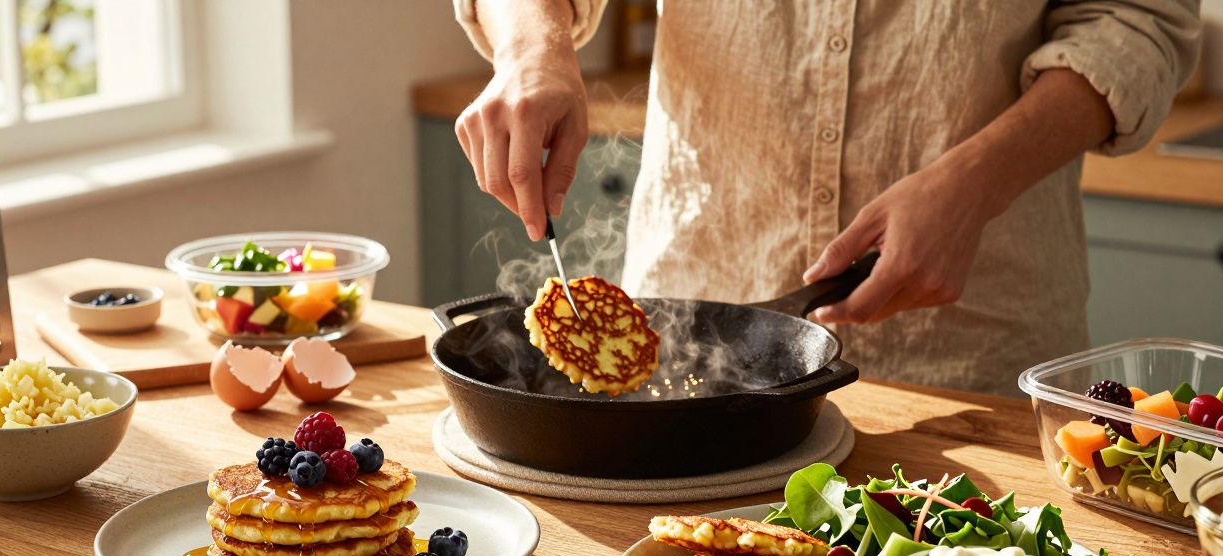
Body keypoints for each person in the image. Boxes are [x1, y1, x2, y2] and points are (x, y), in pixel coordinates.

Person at [450, 0, 1201, 394]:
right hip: (691, 334)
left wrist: (976, 184)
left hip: (965, 348)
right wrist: (531, 49)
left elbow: (1139, 20)